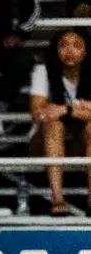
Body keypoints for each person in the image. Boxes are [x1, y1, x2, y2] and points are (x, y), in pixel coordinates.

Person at [32, 28, 91, 218]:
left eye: (76, 46)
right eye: (63, 45)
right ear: (55, 50)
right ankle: (57, 198)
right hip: (44, 142)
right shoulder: (43, 70)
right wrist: (82, 109)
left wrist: (66, 109)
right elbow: (39, 114)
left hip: (81, 141)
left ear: (85, 51)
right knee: (54, 126)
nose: (69, 51)